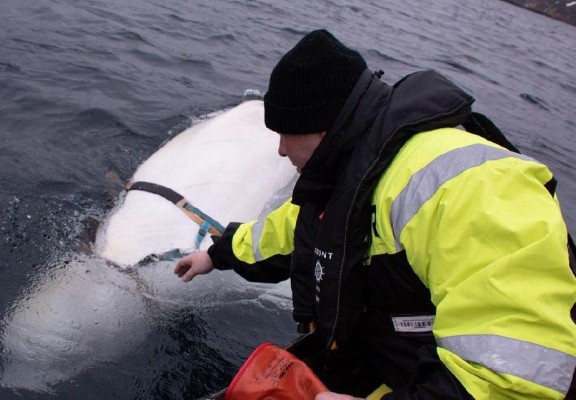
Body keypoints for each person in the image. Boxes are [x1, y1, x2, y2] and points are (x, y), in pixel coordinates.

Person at [175, 29, 576, 399]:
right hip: (394, 361)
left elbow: (516, 379)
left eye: (285, 134)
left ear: (322, 128)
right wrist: (217, 254)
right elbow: (295, 232)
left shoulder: (473, 188)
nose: (280, 150)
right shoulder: (356, 169)